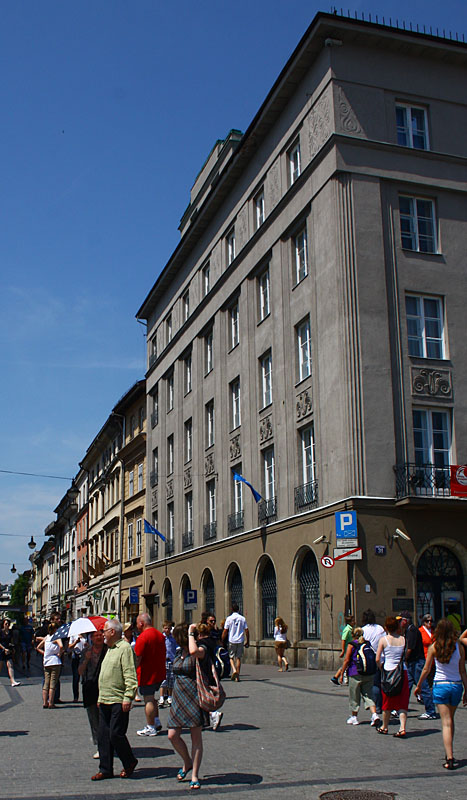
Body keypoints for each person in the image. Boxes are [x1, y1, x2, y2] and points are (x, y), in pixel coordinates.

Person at [415, 619, 467, 770]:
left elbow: (426, 669)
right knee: (450, 720)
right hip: (456, 685)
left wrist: (418, 686)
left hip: (440, 685)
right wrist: (466, 689)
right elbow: (463, 671)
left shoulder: (433, 647)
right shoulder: (459, 647)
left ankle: (449, 757)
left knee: (445, 722)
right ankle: (450, 752)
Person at [92, 618, 138, 781]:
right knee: (103, 736)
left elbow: (130, 673)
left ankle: (129, 761)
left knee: (115, 734)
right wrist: (100, 697)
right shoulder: (109, 648)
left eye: (104, 630)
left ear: (112, 632)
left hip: (119, 699)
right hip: (105, 699)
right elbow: (105, 675)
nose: (102, 633)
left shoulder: (124, 648)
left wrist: (128, 697)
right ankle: (105, 769)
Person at [167, 622, 211, 790]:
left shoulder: (201, 650)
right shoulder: (180, 652)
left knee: (196, 738)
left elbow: (194, 651)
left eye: (178, 637)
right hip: (178, 698)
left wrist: (192, 633)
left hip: (194, 696)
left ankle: (194, 775)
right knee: (172, 735)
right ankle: (187, 762)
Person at [397, 610, 436, 720]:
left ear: (406, 621)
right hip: (411, 664)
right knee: (406, 686)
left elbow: (410, 648)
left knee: (423, 686)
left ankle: (430, 711)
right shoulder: (408, 630)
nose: (399, 623)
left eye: (401, 620)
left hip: (416, 663)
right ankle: (400, 707)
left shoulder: (412, 631)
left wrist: (403, 658)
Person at [375, 616, 409, 737]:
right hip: (402, 671)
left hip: (388, 670)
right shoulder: (403, 639)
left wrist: (381, 667)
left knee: (387, 700)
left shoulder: (383, 640)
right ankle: (402, 727)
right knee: (403, 700)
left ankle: (384, 726)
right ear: (398, 627)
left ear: (386, 628)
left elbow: (378, 658)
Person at [134, 613, 166, 736]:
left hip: (147, 674)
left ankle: (150, 726)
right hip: (158, 672)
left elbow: (138, 657)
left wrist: (132, 671)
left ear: (141, 623)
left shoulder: (143, 637)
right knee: (152, 698)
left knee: (148, 700)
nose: (137, 626)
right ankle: (156, 721)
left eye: (137, 624)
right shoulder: (159, 634)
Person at [341, 626, 380, 726]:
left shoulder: (352, 645)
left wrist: (341, 674)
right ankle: (374, 714)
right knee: (368, 695)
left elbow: (346, 660)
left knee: (354, 695)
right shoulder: (367, 643)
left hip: (355, 673)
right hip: (368, 673)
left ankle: (354, 717)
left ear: (353, 635)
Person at [78, 629, 107, 759]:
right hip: (90, 688)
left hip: (105, 687)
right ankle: (99, 745)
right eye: (96, 636)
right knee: (94, 718)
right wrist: (86, 660)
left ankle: (107, 744)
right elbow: (79, 672)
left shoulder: (108, 650)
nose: (99, 637)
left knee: (105, 718)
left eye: (101, 635)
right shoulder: (86, 652)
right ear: (91, 638)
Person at [361, 609, 385, 715]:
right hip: (381, 658)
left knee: (373, 684)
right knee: (380, 683)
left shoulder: (363, 630)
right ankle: (381, 704)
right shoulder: (380, 628)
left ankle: (375, 705)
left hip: (368, 659)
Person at [36, 622, 63, 708]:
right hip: (55, 661)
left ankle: (45, 702)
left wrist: (44, 653)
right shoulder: (57, 637)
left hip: (46, 662)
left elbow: (38, 647)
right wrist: (59, 653)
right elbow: (61, 646)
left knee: (46, 683)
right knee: (53, 683)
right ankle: (51, 703)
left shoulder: (47, 637)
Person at [222, 602, 249, 681]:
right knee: (238, 658)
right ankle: (238, 674)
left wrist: (222, 639)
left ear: (232, 609)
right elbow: (246, 630)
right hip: (240, 640)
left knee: (231, 657)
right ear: (238, 609)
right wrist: (247, 640)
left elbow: (225, 630)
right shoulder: (242, 618)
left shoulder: (229, 618)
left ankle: (233, 670)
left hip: (231, 640)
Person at [330, 615, 354, 685]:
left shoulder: (351, 629)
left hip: (351, 649)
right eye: (353, 621)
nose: (354, 622)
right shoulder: (347, 629)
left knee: (347, 664)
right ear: (350, 622)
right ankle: (336, 677)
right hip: (348, 649)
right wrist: (343, 650)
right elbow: (343, 639)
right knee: (346, 663)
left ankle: (336, 677)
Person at [159, 620, 177, 709]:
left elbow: (176, 648)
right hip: (163, 661)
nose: (167, 630)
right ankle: (162, 697)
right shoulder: (161, 638)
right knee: (163, 681)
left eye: (169, 629)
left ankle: (170, 697)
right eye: (165, 628)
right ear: (163, 628)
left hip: (171, 660)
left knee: (171, 680)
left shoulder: (173, 639)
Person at [0, 619, 21, 686]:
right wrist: (4, 649)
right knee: (0, 666)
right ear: (3, 624)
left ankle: (13, 681)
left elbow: (11, 641)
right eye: (6, 624)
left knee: (10, 665)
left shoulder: (10, 632)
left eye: (8, 624)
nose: (7, 625)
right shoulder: (0, 632)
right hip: (1, 650)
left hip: (8, 650)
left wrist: (12, 648)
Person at [69, 634, 86, 702]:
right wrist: (76, 642)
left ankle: (86, 696)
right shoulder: (73, 635)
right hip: (76, 657)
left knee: (85, 678)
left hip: (84, 657)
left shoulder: (86, 635)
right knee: (76, 678)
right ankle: (75, 697)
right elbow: (70, 646)